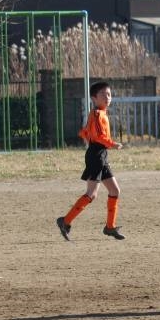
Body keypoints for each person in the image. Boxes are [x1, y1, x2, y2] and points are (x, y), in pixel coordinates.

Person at [56, 81, 125, 241]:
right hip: (96, 155)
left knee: (114, 191)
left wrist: (90, 138)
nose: (107, 97)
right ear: (94, 98)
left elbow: (85, 132)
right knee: (91, 194)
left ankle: (110, 227)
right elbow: (99, 136)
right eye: (103, 95)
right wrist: (112, 144)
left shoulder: (100, 113)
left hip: (100, 154)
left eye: (109, 94)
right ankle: (65, 221)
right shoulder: (97, 114)